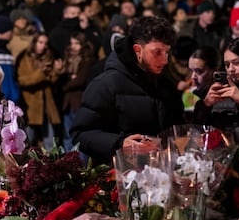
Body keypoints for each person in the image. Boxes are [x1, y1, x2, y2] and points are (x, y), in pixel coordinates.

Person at [70, 16, 184, 165]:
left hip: (160, 174)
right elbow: (80, 134)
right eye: (157, 52)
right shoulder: (106, 84)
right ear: (138, 50)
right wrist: (119, 143)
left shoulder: (165, 84)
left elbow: (178, 128)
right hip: (119, 177)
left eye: (167, 52)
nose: (164, 60)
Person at [16, 33, 63, 148]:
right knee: (27, 139)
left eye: (45, 43)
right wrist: (40, 73)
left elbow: (51, 81)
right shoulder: (25, 58)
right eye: (40, 42)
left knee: (50, 142)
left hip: (46, 105)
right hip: (31, 105)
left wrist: (57, 71)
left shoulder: (48, 57)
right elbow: (23, 80)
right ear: (34, 43)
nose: (43, 46)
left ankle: (51, 165)